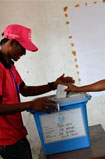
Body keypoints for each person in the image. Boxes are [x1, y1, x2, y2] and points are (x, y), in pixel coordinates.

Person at [0, 24, 74, 159]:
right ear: (11, 42)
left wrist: (53, 85)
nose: (24, 53)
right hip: (6, 139)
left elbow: (25, 90)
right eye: (23, 48)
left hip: (17, 133)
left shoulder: (9, 66)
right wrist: (30, 105)